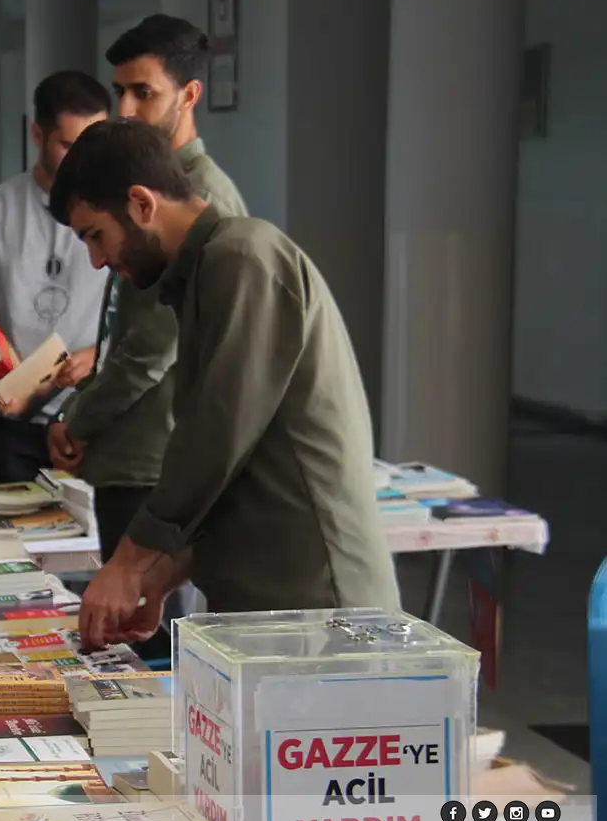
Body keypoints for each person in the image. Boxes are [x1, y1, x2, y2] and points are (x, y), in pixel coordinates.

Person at [48, 119, 400, 648]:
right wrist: (160, 576)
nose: (97, 260)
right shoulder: (200, 277)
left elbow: (217, 440)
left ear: (142, 203)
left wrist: (129, 560)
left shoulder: (242, 257)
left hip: (319, 604)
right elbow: (236, 472)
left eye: (95, 235)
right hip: (268, 597)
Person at [49, 14, 248, 562]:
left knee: (150, 632)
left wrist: (79, 418)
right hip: (131, 446)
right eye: (119, 93)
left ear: (189, 95)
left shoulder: (200, 198)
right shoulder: (144, 181)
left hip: (155, 453)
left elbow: (153, 347)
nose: (126, 111)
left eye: (144, 93)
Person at [0, 71, 111, 484]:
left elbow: (140, 316)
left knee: (92, 543)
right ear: (38, 134)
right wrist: (1, 382)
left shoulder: (118, 211)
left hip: (91, 414)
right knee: (11, 541)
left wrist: (97, 357)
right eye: (69, 145)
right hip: (7, 425)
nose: (83, 160)